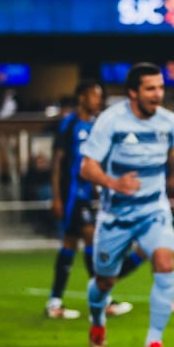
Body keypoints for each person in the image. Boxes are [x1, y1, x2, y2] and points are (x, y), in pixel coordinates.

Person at [78, 63, 174, 347]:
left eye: (161, 87)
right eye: (150, 88)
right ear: (133, 92)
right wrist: (114, 183)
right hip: (116, 217)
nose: (158, 94)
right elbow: (87, 167)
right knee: (104, 281)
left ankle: (153, 341)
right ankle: (97, 319)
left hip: (154, 210)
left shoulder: (167, 121)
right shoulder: (111, 121)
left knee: (165, 262)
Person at [45, 80, 133, 320]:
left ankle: (55, 301)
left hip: (87, 195)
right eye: (94, 96)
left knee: (70, 245)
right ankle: (101, 298)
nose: (98, 100)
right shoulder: (70, 123)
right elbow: (58, 162)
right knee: (91, 238)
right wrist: (56, 197)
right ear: (82, 97)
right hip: (72, 195)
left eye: (100, 96)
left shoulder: (95, 126)